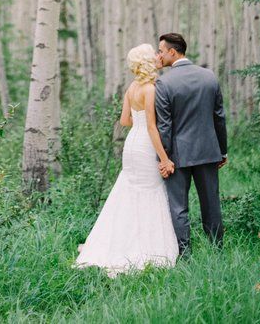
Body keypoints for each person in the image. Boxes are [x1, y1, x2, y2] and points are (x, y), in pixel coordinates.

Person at [73, 44, 178, 276]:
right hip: (145, 145)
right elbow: (152, 127)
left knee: (128, 190)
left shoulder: (132, 87)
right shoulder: (150, 88)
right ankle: (146, 246)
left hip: (131, 144)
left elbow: (124, 120)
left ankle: (118, 241)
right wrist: (165, 159)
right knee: (149, 191)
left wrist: (139, 121)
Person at [155, 33, 227, 256]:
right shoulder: (209, 76)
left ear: (172, 52)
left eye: (161, 51)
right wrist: (222, 150)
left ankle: (184, 254)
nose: (158, 55)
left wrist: (164, 159)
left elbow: (164, 127)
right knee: (211, 204)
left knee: (179, 208)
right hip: (208, 151)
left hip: (178, 156)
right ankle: (217, 251)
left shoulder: (164, 82)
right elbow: (219, 117)